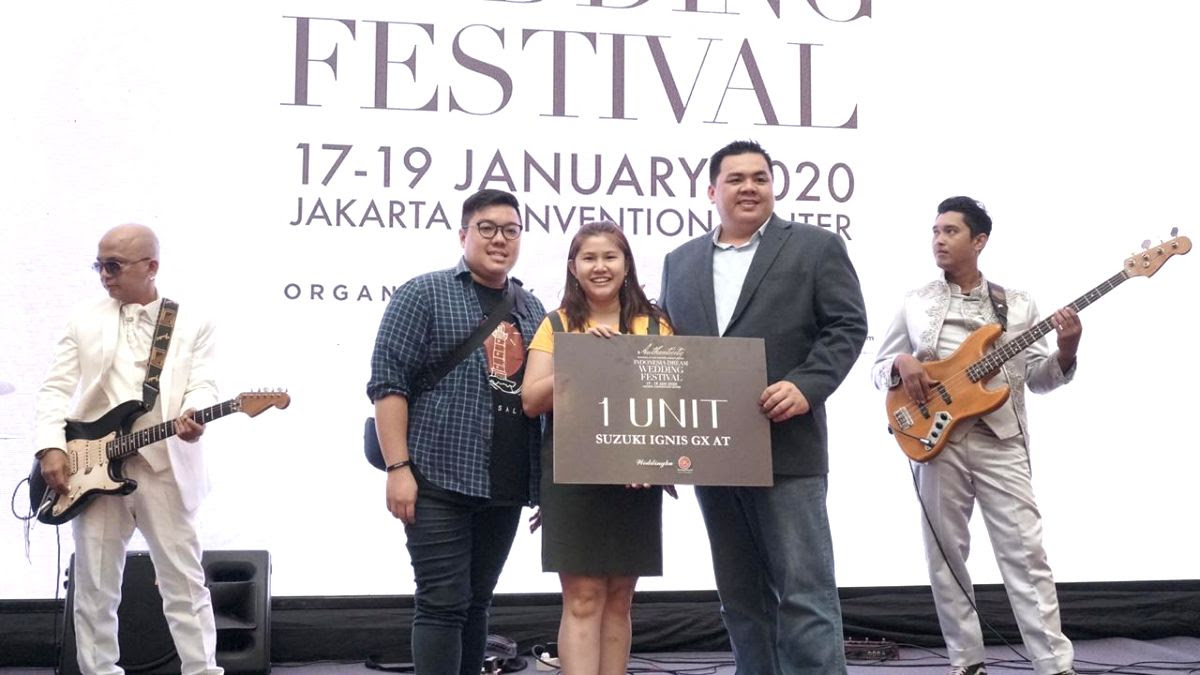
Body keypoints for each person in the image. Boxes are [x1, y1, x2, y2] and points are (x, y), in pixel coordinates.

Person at [659, 140, 868, 674]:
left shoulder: (816, 247)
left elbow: (847, 326)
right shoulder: (679, 262)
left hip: (787, 448)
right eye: (736, 179)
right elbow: (667, 350)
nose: (749, 187)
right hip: (712, 454)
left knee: (805, 596)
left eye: (760, 177)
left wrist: (806, 386)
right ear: (712, 191)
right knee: (740, 598)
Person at [871, 196, 1080, 675]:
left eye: (951, 231)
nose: (939, 240)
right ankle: (966, 662)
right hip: (935, 439)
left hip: (1000, 438)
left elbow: (1038, 378)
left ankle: (1055, 664)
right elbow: (879, 368)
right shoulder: (916, 301)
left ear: (979, 241)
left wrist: (1067, 350)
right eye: (935, 231)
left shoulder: (1018, 304)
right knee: (946, 555)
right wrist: (901, 363)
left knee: (1026, 552)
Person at [367, 188, 546, 674]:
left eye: (511, 230)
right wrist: (398, 468)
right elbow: (388, 384)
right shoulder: (423, 293)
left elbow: (544, 399)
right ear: (463, 234)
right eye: (487, 228)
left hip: (506, 483)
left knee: (477, 601)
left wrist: (546, 486)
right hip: (437, 477)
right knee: (442, 602)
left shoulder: (533, 309)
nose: (499, 239)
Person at [34, 223, 223, 675]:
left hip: (164, 466)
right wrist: (50, 448)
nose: (104, 275)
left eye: (114, 265)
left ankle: (202, 671)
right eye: (99, 265)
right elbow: (55, 388)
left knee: (184, 584)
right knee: (94, 587)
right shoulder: (83, 319)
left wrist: (195, 414)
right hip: (92, 469)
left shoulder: (193, 321)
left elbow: (203, 382)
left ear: (151, 266)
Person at [522, 221, 673, 675]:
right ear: (574, 268)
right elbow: (531, 401)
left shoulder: (656, 324)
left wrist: (649, 459)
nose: (600, 266)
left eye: (610, 256)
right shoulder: (557, 324)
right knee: (584, 597)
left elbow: (673, 403)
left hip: (636, 475)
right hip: (573, 478)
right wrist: (582, 360)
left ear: (627, 265)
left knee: (620, 597)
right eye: (589, 258)